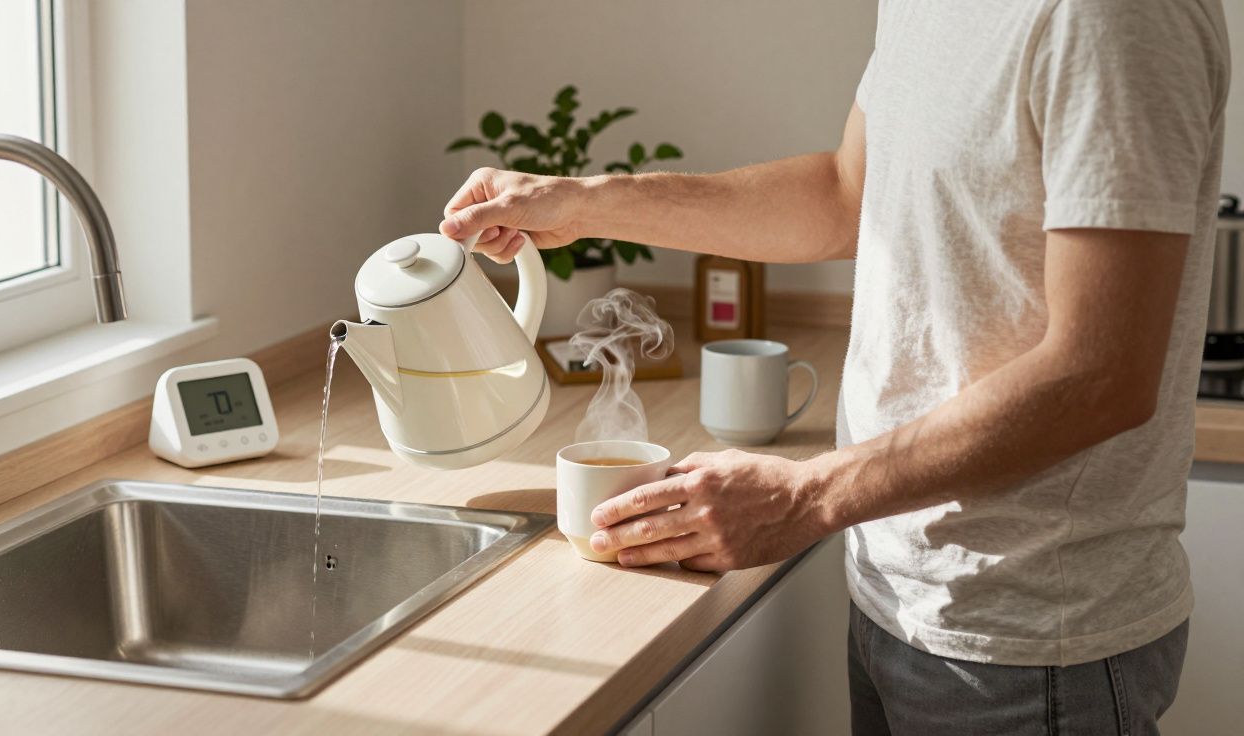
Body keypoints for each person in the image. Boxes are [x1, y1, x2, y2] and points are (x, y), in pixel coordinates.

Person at [440, 1, 1230, 733]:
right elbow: (848, 192)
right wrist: (579, 202)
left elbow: (1100, 375)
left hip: (1032, 643)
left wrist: (806, 494)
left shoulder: (1114, 16)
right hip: (897, 591)